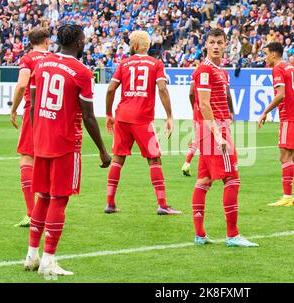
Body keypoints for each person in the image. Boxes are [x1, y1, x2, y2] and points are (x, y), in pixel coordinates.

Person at [24, 25, 111, 276]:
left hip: (41, 139)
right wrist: (103, 151)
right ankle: (48, 260)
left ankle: (32, 255)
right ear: (79, 43)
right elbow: (89, 116)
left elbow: (32, 105)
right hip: (65, 143)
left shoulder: (41, 64)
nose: (86, 43)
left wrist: (37, 134)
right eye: (84, 40)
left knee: (43, 196)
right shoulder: (82, 72)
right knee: (59, 199)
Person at [191, 28, 258, 247]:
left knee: (203, 181)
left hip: (213, 129)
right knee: (232, 179)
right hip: (214, 131)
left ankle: (200, 235)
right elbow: (202, 102)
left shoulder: (222, 71)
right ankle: (232, 235)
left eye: (220, 42)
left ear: (226, 44)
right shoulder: (204, 70)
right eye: (212, 42)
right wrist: (218, 133)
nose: (216, 46)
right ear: (206, 45)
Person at [104, 30, 181, 215]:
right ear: (147, 45)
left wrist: (108, 114)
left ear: (134, 45)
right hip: (142, 118)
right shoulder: (156, 64)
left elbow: (110, 89)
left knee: (118, 159)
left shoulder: (123, 64)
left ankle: (110, 203)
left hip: (122, 116)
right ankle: (162, 205)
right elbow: (162, 88)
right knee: (154, 158)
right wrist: (169, 115)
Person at [258, 42, 294, 207]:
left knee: (284, 157)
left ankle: (287, 196)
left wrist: (265, 112)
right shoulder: (290, 67)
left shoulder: (277, 69)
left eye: (266, 54)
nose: (264, 57)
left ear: (273, 54)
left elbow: (281, 94)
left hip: (290, 115)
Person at [9, 27, 51, 227]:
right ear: (46, 41)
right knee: (49, 160)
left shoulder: (28, 59)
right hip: (54, 114)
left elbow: (22, 84)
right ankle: (50, 211)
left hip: (34, 111)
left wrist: (13, 109)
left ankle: (32, 213)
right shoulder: (54, 59)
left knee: (26, 158)